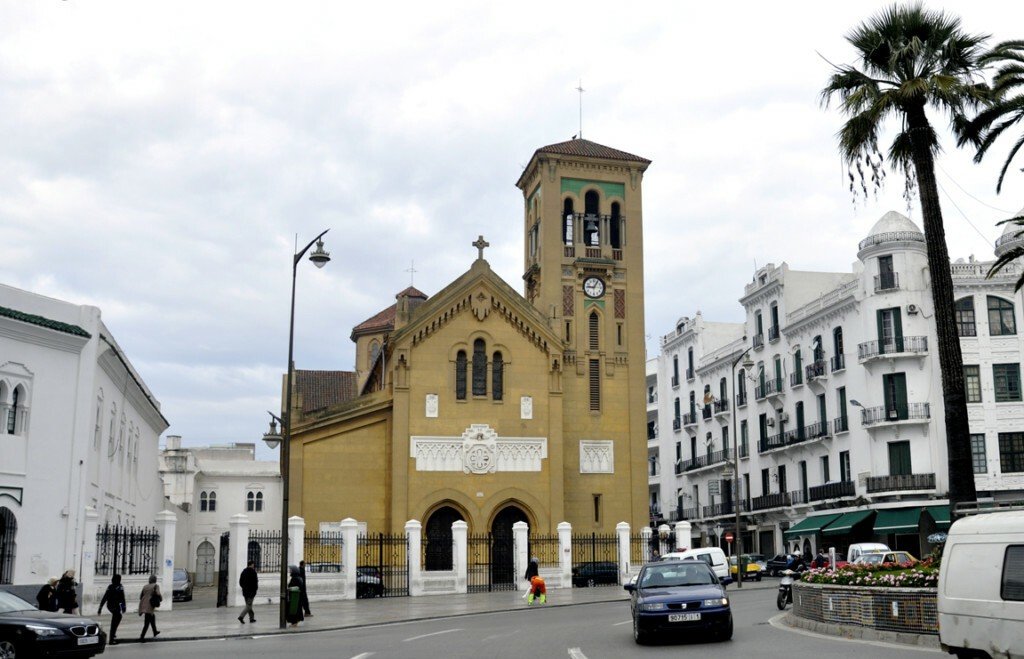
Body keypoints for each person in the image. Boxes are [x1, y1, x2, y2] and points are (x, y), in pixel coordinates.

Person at [97, 574, 126, 645]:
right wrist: (123, 607)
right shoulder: (120, 587)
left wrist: (100, 608)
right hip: (115, 606)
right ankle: (111, 638)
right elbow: (122, 598)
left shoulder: (110, 587)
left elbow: (105, 597)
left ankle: (113, 635)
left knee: (117, 618)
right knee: (115, 621)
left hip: (110, 605)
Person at [138, 574, 161, 641]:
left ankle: (155, 632)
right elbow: (158, 593)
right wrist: (159, 598)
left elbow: (141, 596)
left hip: (143, 603)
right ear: (155, 580)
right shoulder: (156, 586)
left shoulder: (145, 586)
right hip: (150, 604)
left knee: (152, 617)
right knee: (147, 623)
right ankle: (142, 637)